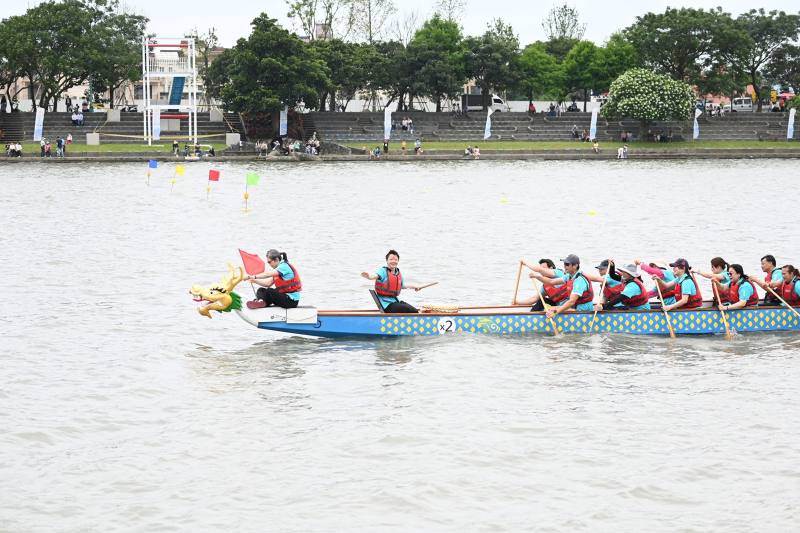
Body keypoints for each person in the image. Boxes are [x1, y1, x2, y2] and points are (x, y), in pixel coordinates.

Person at [361, 249, 425, 313]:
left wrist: (416, 287)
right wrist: (368, 276)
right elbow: (374, 276)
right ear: (387, 261)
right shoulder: (383, 271)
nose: (393, 261)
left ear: (398, 261)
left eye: (395, 259)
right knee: (407, 309)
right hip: (386, 305)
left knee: (414, 311)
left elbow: (403, 285)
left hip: (395, 301)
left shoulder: (398, 273)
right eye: (391, 259)